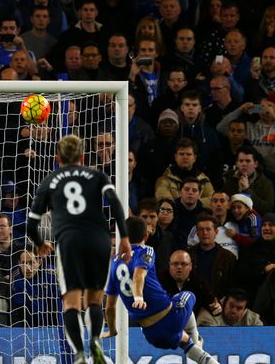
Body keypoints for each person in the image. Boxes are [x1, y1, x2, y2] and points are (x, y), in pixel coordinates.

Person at [26, 134, 130, 364]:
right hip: (99, 239)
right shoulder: (97, 175)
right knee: (95, 299)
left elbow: (31, 225)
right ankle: (95, 341)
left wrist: (40, 243)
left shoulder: (50, 181)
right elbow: (115, 203)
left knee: (71, 303)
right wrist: (124, 237)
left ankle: (80, 354)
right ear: (82, 157)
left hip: (69, 240)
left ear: (57, 158)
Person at [103, 216, 219, 364]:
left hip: (152, 335)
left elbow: (110, 307)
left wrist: (112, 329)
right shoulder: (146, 250)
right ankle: (196, 341)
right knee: (187, 295)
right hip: (171, 318)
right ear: (146, 236)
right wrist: (138, 297)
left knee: (185, 341)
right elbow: (140, 274)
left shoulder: (114, 264)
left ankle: (196, 348)